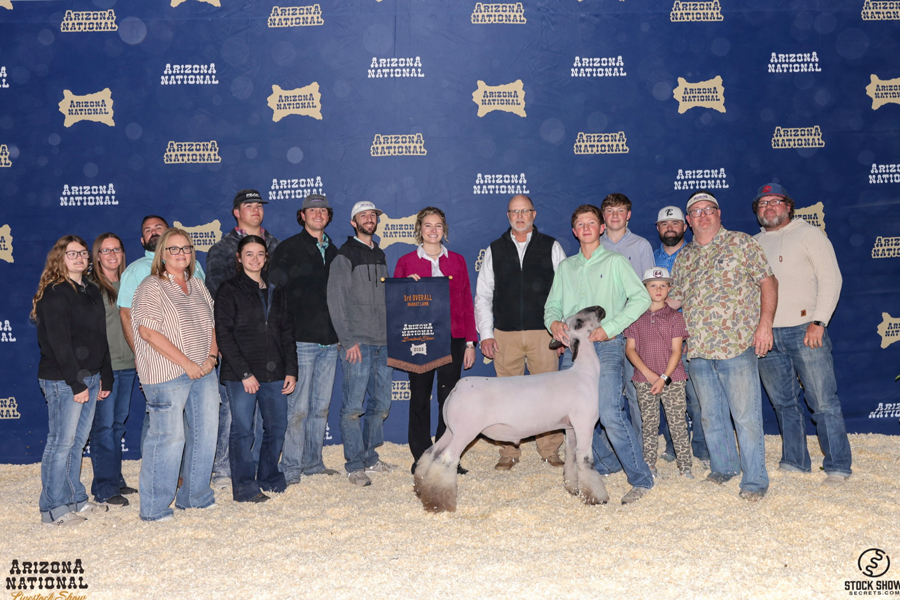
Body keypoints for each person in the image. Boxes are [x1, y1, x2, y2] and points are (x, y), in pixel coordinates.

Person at [669, 190, 776, 502]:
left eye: (709, 209)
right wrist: (645, 305)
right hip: (699, 350)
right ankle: (723, 468)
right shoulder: (685, 257)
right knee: (711, 417)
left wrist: (765, 324)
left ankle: (755, 481)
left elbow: (767, 281)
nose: (702, 215)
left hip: (737, 346)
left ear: (719, 214)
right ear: (688, 221)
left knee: (745, 417)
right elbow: (675, 300)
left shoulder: (741, 242)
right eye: (696, 211)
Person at [544, 205, 654, 504]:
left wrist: (612, 326)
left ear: (601, 227)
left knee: (608, 412)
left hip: (606, 346)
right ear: (574, 231)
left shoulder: (616, 261)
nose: (586, 227)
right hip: (573, 350)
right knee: (571, 418)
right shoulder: (566, 267)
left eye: (591, 222)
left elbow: (642, 297)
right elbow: (552, 306)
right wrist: (553, 322)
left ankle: (642, 479)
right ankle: (605, 464)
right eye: (580, 224)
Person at [752, 182, 852, 486]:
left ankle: (837, 465)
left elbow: (831, 277)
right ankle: (795, 461)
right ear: (757, 211)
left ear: (788, 206)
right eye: (763, 203)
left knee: (822, 402)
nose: (769, 207)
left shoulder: (809, 233)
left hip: (806, 328)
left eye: (775, 201)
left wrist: (819, 321)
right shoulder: (753, 243)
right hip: (768, 334)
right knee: (783, 403)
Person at [474, 195, 567, 470]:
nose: (520, 216)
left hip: (544, 334)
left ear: (534, 214)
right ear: (507, 216)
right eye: (514, 212)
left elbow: (564, 291)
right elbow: (483, 295)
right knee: (505, 397)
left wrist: (559, 331)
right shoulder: (494, 249)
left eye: (525, 210)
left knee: (549, 396)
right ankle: (508, 452)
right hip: (505, 334)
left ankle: (550, 450)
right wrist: (486, 334)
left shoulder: (551, 246)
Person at [131, 228, 218, 521]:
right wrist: (187, 364)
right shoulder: (151, 286)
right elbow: (148, 332)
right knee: (168, 438)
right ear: (162, 254)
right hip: (167, 373)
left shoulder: (197, 284)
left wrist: (212, 356)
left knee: (206, 434)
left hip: (203, 370)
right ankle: (154, 508)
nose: (181, 254)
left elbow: (211, 325)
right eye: (174, 249)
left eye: (186, 249)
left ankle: (195, 496)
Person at [32, 235, 113, 526]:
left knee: (76, 443)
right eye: (72, 254)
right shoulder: (54, 293)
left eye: (83, 253)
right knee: (60, 444)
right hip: (64, 380)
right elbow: (59, 343)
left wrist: (105, 376)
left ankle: (75, 498)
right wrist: (76, 384)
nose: (80, 258)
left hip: (90, 377)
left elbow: (100, 337)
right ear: (59, 258)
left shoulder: (90, 289)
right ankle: (53, 509)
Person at [205, 189, 280, 489]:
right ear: (236, 212)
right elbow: (214, 297)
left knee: (266, 415)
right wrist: (223, 344)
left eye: (259, 205)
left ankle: (261, 469)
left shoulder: (274, 244)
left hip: (269, 343)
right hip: (236, 341)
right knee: (234, 414)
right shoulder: (222, 249)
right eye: (248, 206)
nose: (255, 210)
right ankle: (223, 468)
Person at [395, 207, 478, 474]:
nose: (433, 230)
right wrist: (406, 286)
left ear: (445, 229)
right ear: (419, 230)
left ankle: (446, 455)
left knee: (449, 399)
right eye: (428, 225)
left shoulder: (457, 261)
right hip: (419, 337)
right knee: (419, 397)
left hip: (452, 337)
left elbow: (466, 301)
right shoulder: (406, 262)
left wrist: (469, 342)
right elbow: (396, 303)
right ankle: (422, 457)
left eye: (438, 225)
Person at [215, 235, 297, 503]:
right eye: (248, 254)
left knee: (276, 427)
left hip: (275, 372)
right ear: (239, 258)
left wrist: (291, 370)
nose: (255, 259)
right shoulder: (228, 289)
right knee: (243, 431)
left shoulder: (277, 289)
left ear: (266, 257)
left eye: (260, 254)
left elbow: (287, 333)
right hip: (242, 375)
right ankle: (244, 487)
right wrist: (245, 374)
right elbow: (224, 336)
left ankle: (269, 477)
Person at [117, 215, 205, 449]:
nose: (153, 232)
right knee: (161, 424)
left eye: (158, 228)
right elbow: (127, 317)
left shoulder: (194, 271)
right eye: (148, 230)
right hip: (161, 360)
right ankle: (161, 471)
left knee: (192, 422)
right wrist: (140, 354)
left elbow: (205, 315)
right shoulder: (137, 272)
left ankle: (186, 474)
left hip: (196, 359)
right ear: (142, 238)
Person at [271, 194, 341, 483]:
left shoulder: (335, 250)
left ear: (328, 216)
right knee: (298, 408)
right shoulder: (288, 248)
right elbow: (276, 291)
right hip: (301, 339)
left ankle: (313, 462)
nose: (317, 214)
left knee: (321, 406)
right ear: (302, 216)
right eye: (311, 210)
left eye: (322, 210)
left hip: (330, 339)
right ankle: (290, 468)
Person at [327, 201, 395, 487]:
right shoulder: (344, 256)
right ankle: (354, 464)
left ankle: (369, 456)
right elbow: (336, 301)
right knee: (354, 407)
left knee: (381, 405)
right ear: (353, 222)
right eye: (363, 216)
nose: (369, 219)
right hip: (358, 344)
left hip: (383, 342)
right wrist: (347, 340)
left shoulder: (379, 253)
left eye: (373, 215)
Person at [624, 267, 693, 479]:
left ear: (670, 288)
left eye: (663, 285)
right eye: (653, 285)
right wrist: (648, 374)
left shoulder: (675, 318)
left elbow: (676, 350)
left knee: (677, 423)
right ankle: (649, 465)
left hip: (673, 379)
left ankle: (685, 467)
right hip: (644, 380)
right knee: (649, 423)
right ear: (644, 289)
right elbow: (630, 349)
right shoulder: (635, 317)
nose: (658, 289)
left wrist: (663, 377)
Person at [599, 193, 655, 451]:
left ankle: (641, 449)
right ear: (603, 215)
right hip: (604, 331)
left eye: (620, 211)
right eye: (609, 210)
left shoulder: (641, 246)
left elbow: (649, 290)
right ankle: (609, 450)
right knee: (605, 393)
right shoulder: (594, 244)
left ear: (628, 215)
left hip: (634, 328)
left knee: (636, 391)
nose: (614, 215)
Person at [653, 206, 708, 466]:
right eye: (664, 224)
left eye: (675, 223)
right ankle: (675, 447)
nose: (670, 228)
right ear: (658, 229)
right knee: (668, 401)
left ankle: (701, 448)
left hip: (692, 339)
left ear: (685, 226)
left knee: (697, 400)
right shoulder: (651, 260)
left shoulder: (697, 254)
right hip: (660, 343)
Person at [88, 233, 136, 508]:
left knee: (117, 426)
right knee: (104, 428)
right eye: (105, 250)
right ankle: (104, 489)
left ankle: (114, 480)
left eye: (116, 249)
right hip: (105, 367)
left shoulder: (129, 282)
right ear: (97, 256)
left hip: (128, 363)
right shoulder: (93, 287)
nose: (112, 255)